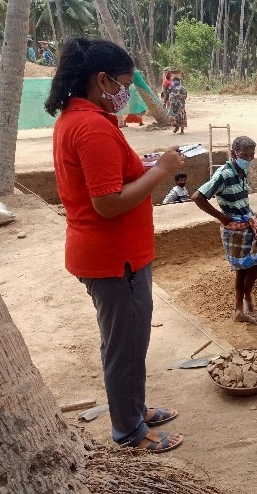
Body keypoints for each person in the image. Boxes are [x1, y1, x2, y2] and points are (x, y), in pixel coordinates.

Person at [46, 37, 185, 454]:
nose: (126, 93)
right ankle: (129, 432)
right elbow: (107, 203)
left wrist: (140, 166)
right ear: (102, 80)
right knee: (124, 347)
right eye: (124, 83)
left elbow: (112, 179)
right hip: (113, 258)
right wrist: (161, 170)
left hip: (116, 255)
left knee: (129, 340)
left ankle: (135, 411)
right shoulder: (90, 127)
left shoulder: (83, 118)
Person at [191, 136, 257, 324]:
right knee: (253, 265)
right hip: (235, 230)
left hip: (247, 226)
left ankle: (241, 306)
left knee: (243, 269)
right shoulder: (224, 174)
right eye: (244, 155)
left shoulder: (241, 172)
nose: (248, 160)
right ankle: (244, 301)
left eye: (251, 156)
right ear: (233, 154)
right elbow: (198, 197)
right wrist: (221, 216)